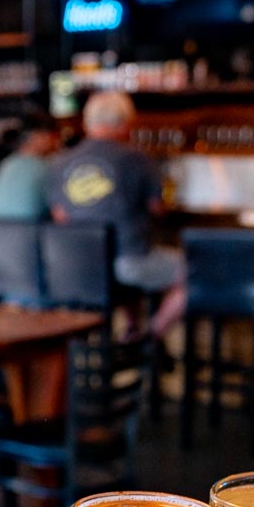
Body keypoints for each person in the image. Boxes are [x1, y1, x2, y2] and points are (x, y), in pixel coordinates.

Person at [45, 89, 186, 334]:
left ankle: (131, 327)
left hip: (76, 267)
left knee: (133, 269)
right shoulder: (137, 159)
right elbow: (157, 208)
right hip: (128, 263)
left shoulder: (60, 161)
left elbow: (60, 216)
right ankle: (150, 335)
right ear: (125, 122)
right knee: (197, 269)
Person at [0, 111, 61, 220]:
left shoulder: (6, 164)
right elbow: (61, 212)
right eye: (54, 137)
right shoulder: (45, 167)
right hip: (34, 234)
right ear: (38, 136)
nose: (57, 143)